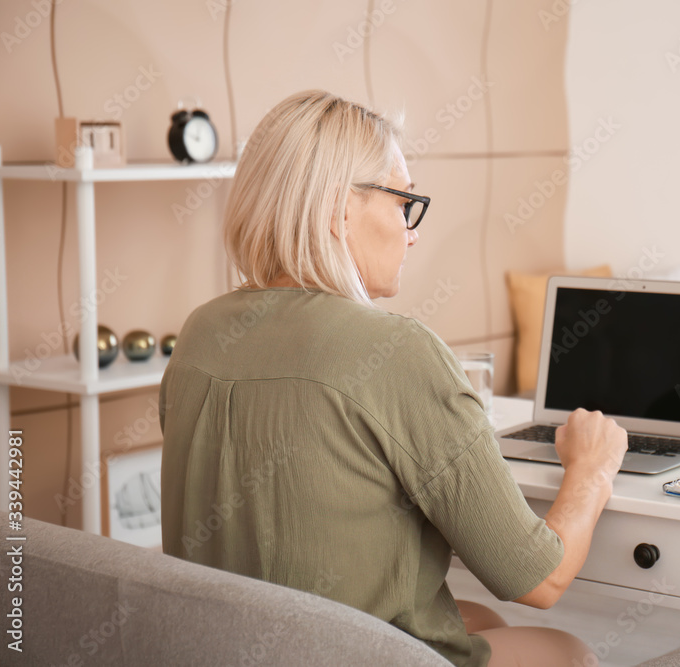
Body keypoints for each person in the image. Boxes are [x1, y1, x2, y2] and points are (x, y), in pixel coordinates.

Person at [159, 90, 628, 667]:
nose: (411, 232)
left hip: (227, 648)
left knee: (477, 620)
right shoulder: (395, 351)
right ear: (338, 208)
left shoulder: (200, 333)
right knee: (567, 651)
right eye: (403, 202)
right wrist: (592, 469)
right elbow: (539, 579)